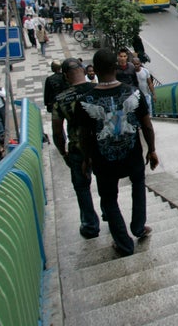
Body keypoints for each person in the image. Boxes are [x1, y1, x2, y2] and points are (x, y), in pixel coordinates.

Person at [78, 49, 158, 256]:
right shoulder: (133, 92)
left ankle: (124, 243)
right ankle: (138, 228)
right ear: (115, 66)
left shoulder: (86, 98)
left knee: (108, 198)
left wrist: (86, 159)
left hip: (103, 160)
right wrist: (152, 150)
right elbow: (147, 126)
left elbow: (84, 135)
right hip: (132, 155)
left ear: (94, 70)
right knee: (138, 186)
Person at [52, 58, 100, 239]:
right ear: (82, 69)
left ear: (65, 76)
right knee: (106, 184)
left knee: (82, 187)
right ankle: (110, 214)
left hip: (78, 149)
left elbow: (57, 132)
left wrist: (63, 152)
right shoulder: (98, 89)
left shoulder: (61, 100)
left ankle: (90, 225)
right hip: (100, 146)